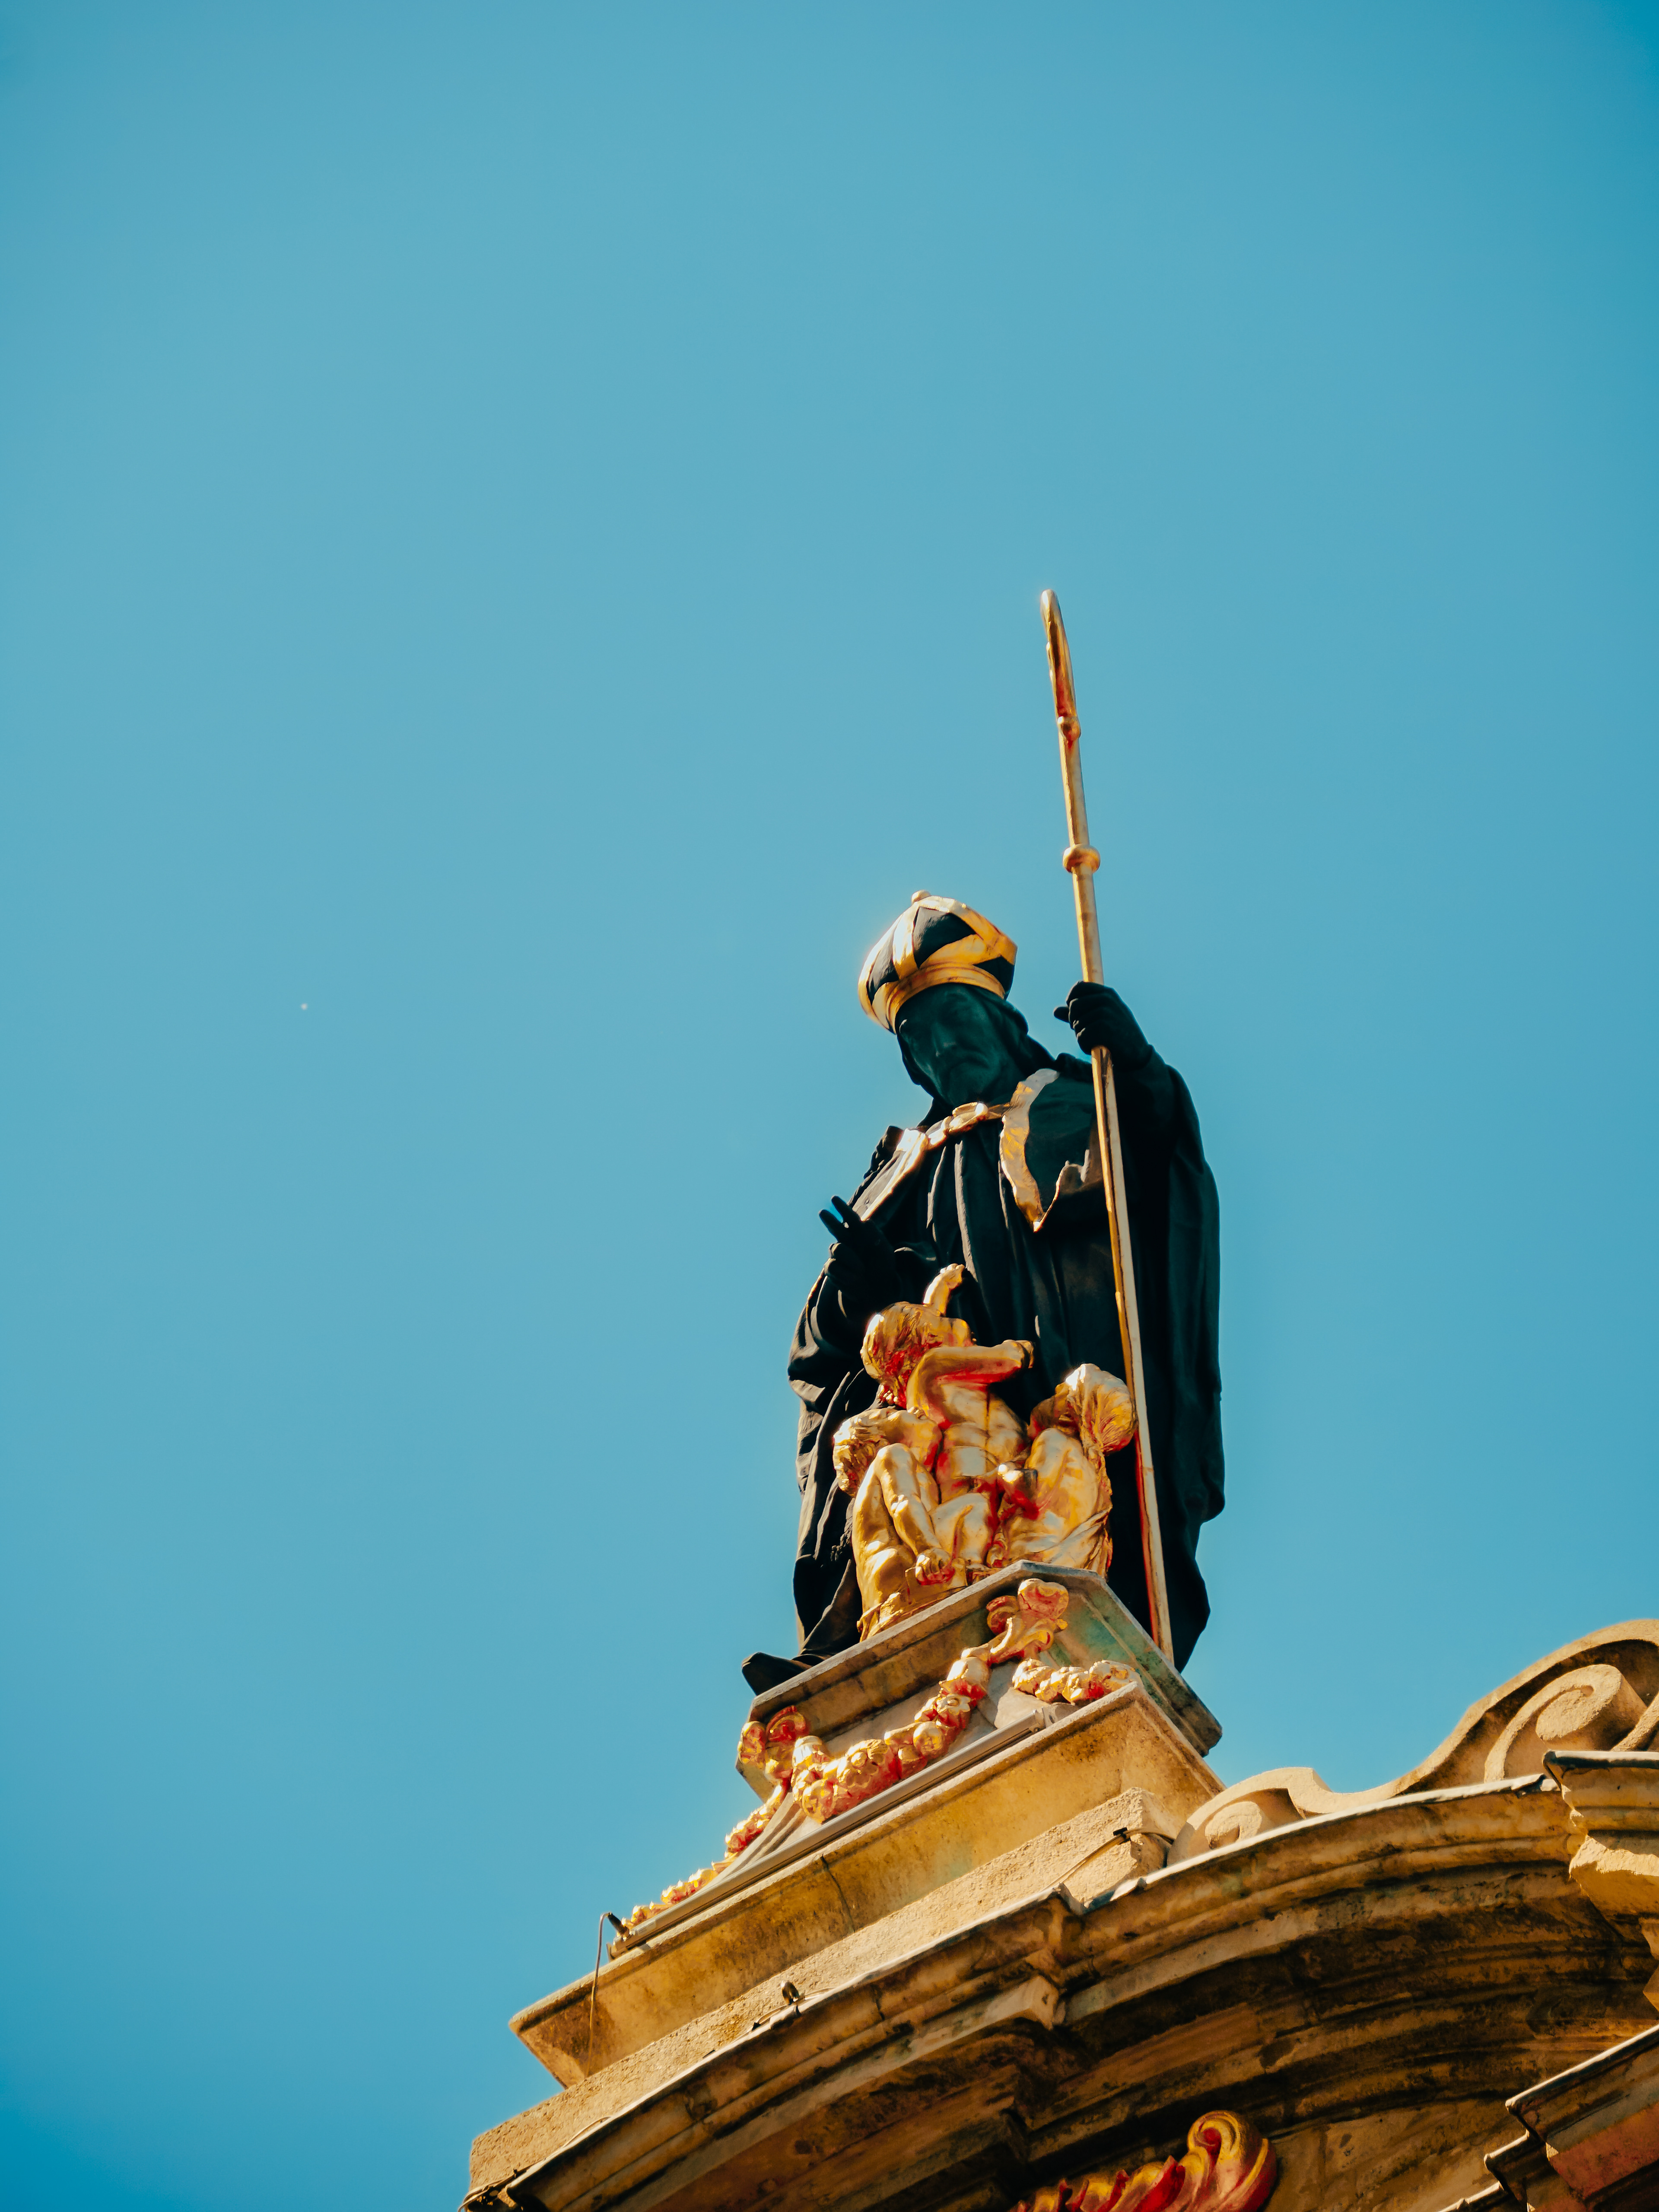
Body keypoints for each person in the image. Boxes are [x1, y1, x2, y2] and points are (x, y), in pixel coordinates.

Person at [741, 892, 1223, 1690]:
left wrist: (1135, 1064)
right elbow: (817, 1351)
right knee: (889, 1491)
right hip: (931, 1414)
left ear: (999, 1018)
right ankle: (849, 1649)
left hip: (1058, 1362)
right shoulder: (902, 1163)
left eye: (952, 1020)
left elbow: (1164, 1171)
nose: (941, 1047)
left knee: (1068, 1492)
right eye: (919, 1039)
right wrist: (860, 1289)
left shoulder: (1084, 1099)